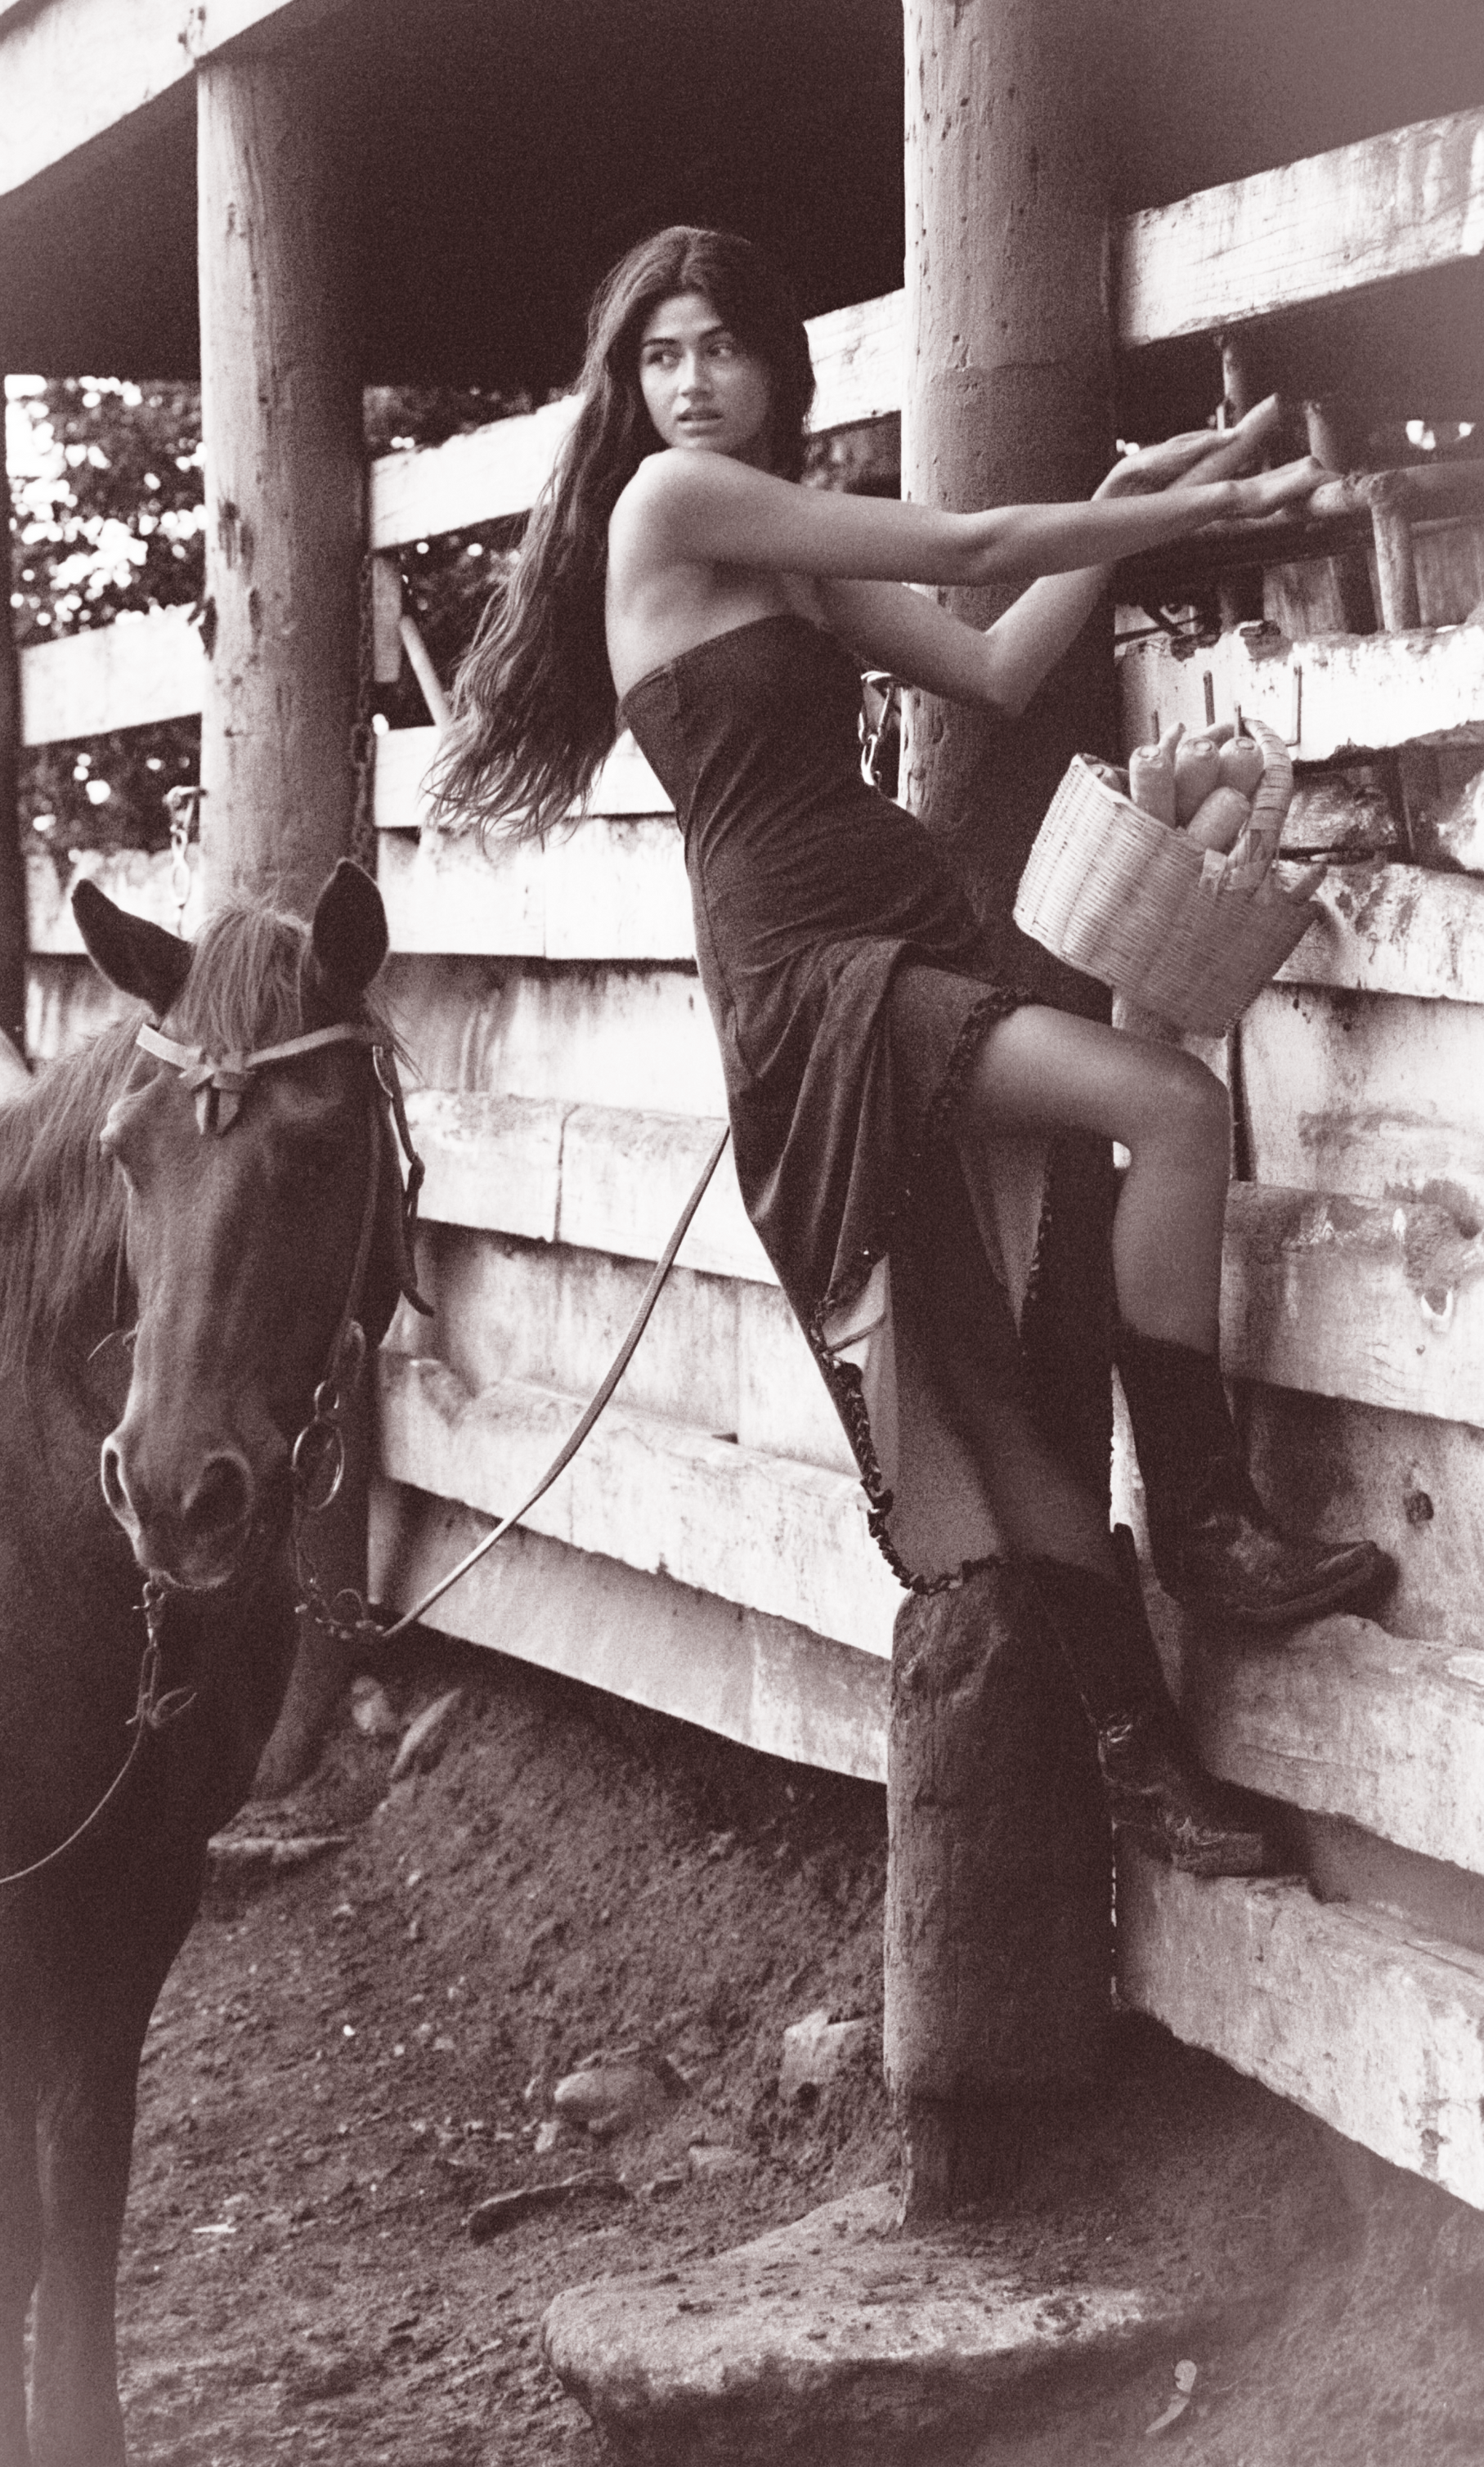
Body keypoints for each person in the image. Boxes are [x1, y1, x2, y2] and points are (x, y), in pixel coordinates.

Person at [428, 226, 1391, 1877]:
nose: (690, 383)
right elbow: (968, 533)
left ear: (771, 362)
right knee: (1159, 1110)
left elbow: (996, 655)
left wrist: (1127, 486)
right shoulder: (673, 507)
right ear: (628, 384)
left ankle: (1143, 1745)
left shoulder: (780, 547)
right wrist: (1197, 503)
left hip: (905, 934)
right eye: (658, 355)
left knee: (1007, 1356)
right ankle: (1207, 1527)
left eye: (719, 346)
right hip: (815, 983)